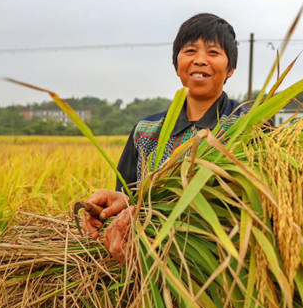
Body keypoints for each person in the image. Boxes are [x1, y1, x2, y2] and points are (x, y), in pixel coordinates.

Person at [82, 13, 246, 262]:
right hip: (144, 268)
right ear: (176, 62)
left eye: (213, 53)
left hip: (218, 268)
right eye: (190, 50)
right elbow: (128, 198)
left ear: (230, 69)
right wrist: (117, 206)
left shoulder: (245, 128)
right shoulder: (146, 131)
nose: (200, 60)